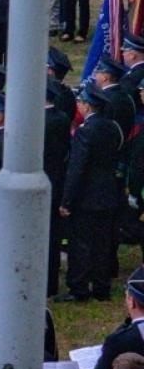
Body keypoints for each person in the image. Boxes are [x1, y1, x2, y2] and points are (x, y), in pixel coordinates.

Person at [58, 81, 124, 303]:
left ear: (86, 106)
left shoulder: (86, 132)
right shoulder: (112, 127)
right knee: (103, 244)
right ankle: (101, 286)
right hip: (109, 193)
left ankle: (79, 288)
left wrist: (67, 200)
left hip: (86, 197)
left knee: (81, 244)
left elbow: (77, 169)